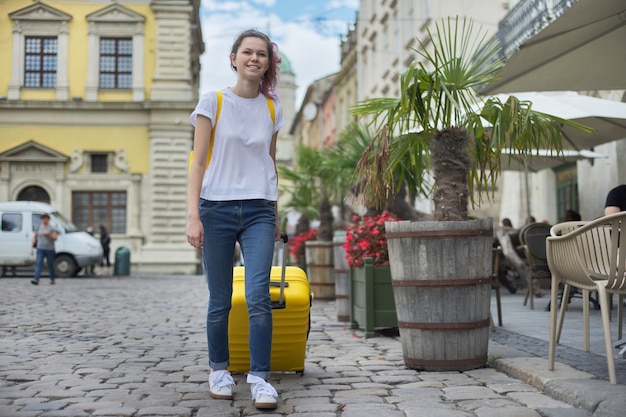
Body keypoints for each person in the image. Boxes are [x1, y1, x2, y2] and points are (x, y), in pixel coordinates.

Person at [186, 29, 285, 410]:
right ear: (233, 58)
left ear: (267, 63)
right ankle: (219, 370)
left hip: (260, 209)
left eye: (262, 54)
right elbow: (197, 162)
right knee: (220, 298)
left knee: (259, 296)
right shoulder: (212, 101)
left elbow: (270, 164)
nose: (254, 58)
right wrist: (193, 215)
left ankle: (260, 378)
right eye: (247, 52)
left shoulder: (273, 109)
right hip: (216, 209)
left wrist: (275, 214)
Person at [31, 213, 58, 285]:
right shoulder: (39, 227)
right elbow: (34, 237)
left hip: (50, 249)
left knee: (50, 264)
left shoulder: (52, 228)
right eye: (43, 219)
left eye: (45, 218)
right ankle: (36, 279)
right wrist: (31, 248)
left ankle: (52, 279)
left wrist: (48, 235)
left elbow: (55, 238)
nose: (44, 220)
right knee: (38, 264)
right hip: (40, 248)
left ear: (48, 220)